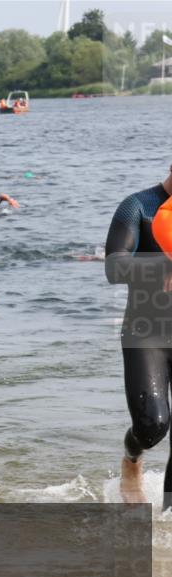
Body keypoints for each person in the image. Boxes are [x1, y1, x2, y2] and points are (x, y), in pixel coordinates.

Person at [105, 163, 172, 507]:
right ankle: (132, 460)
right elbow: (114, 267)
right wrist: (164, 266)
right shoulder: (139, 206)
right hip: (147, 332)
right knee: (152, 425)